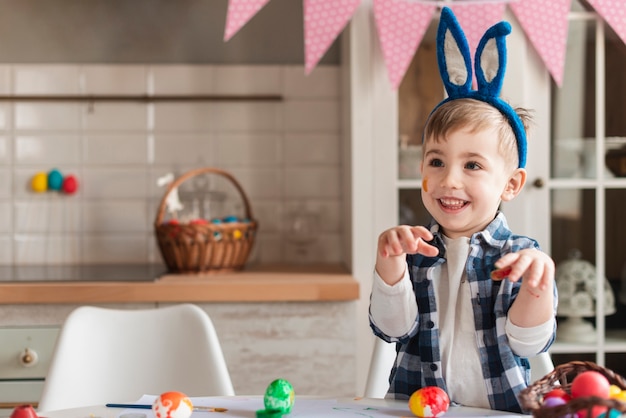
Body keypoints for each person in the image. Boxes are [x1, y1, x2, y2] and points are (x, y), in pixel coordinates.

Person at [369, 7, 557, 414]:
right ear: (421, 169)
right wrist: (391, 266)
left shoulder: (519, 257)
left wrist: (536, 291)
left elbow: (528, 343)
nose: (449, 179)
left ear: (510, 184)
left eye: (472, 165)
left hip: (497, 409)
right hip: (414, 410)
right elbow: (392, 329)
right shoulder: (415, 248)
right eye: (436, 162)